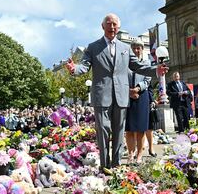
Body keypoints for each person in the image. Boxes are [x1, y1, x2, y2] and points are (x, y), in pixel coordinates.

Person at [65, 13, 168, 169]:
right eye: (108, 23)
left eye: (114, 24)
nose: (111, 27)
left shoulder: (126, 48)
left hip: (121, 96)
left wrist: (156, 70)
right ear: (102, 26)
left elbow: (138, 66)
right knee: (103, 130)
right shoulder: (93, 47)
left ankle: (116, 166)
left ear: (118, 27)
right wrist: (74, 69)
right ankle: (104, 166)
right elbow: (84, 66)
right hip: (101, 95)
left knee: (119, 131)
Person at [125, 39, 152, 164]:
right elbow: (121, 78)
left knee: (141, 129)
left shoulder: (147, 63)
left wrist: (137, 88)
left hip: (141, 96)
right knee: (129, 129)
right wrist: (129, 91)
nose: (136, 50)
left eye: (138, 48)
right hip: (127, 96)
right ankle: (130, 154)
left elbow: (147, 80)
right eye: (134, 48)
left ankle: (139, 155)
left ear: (142, 49)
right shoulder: (126, 63)